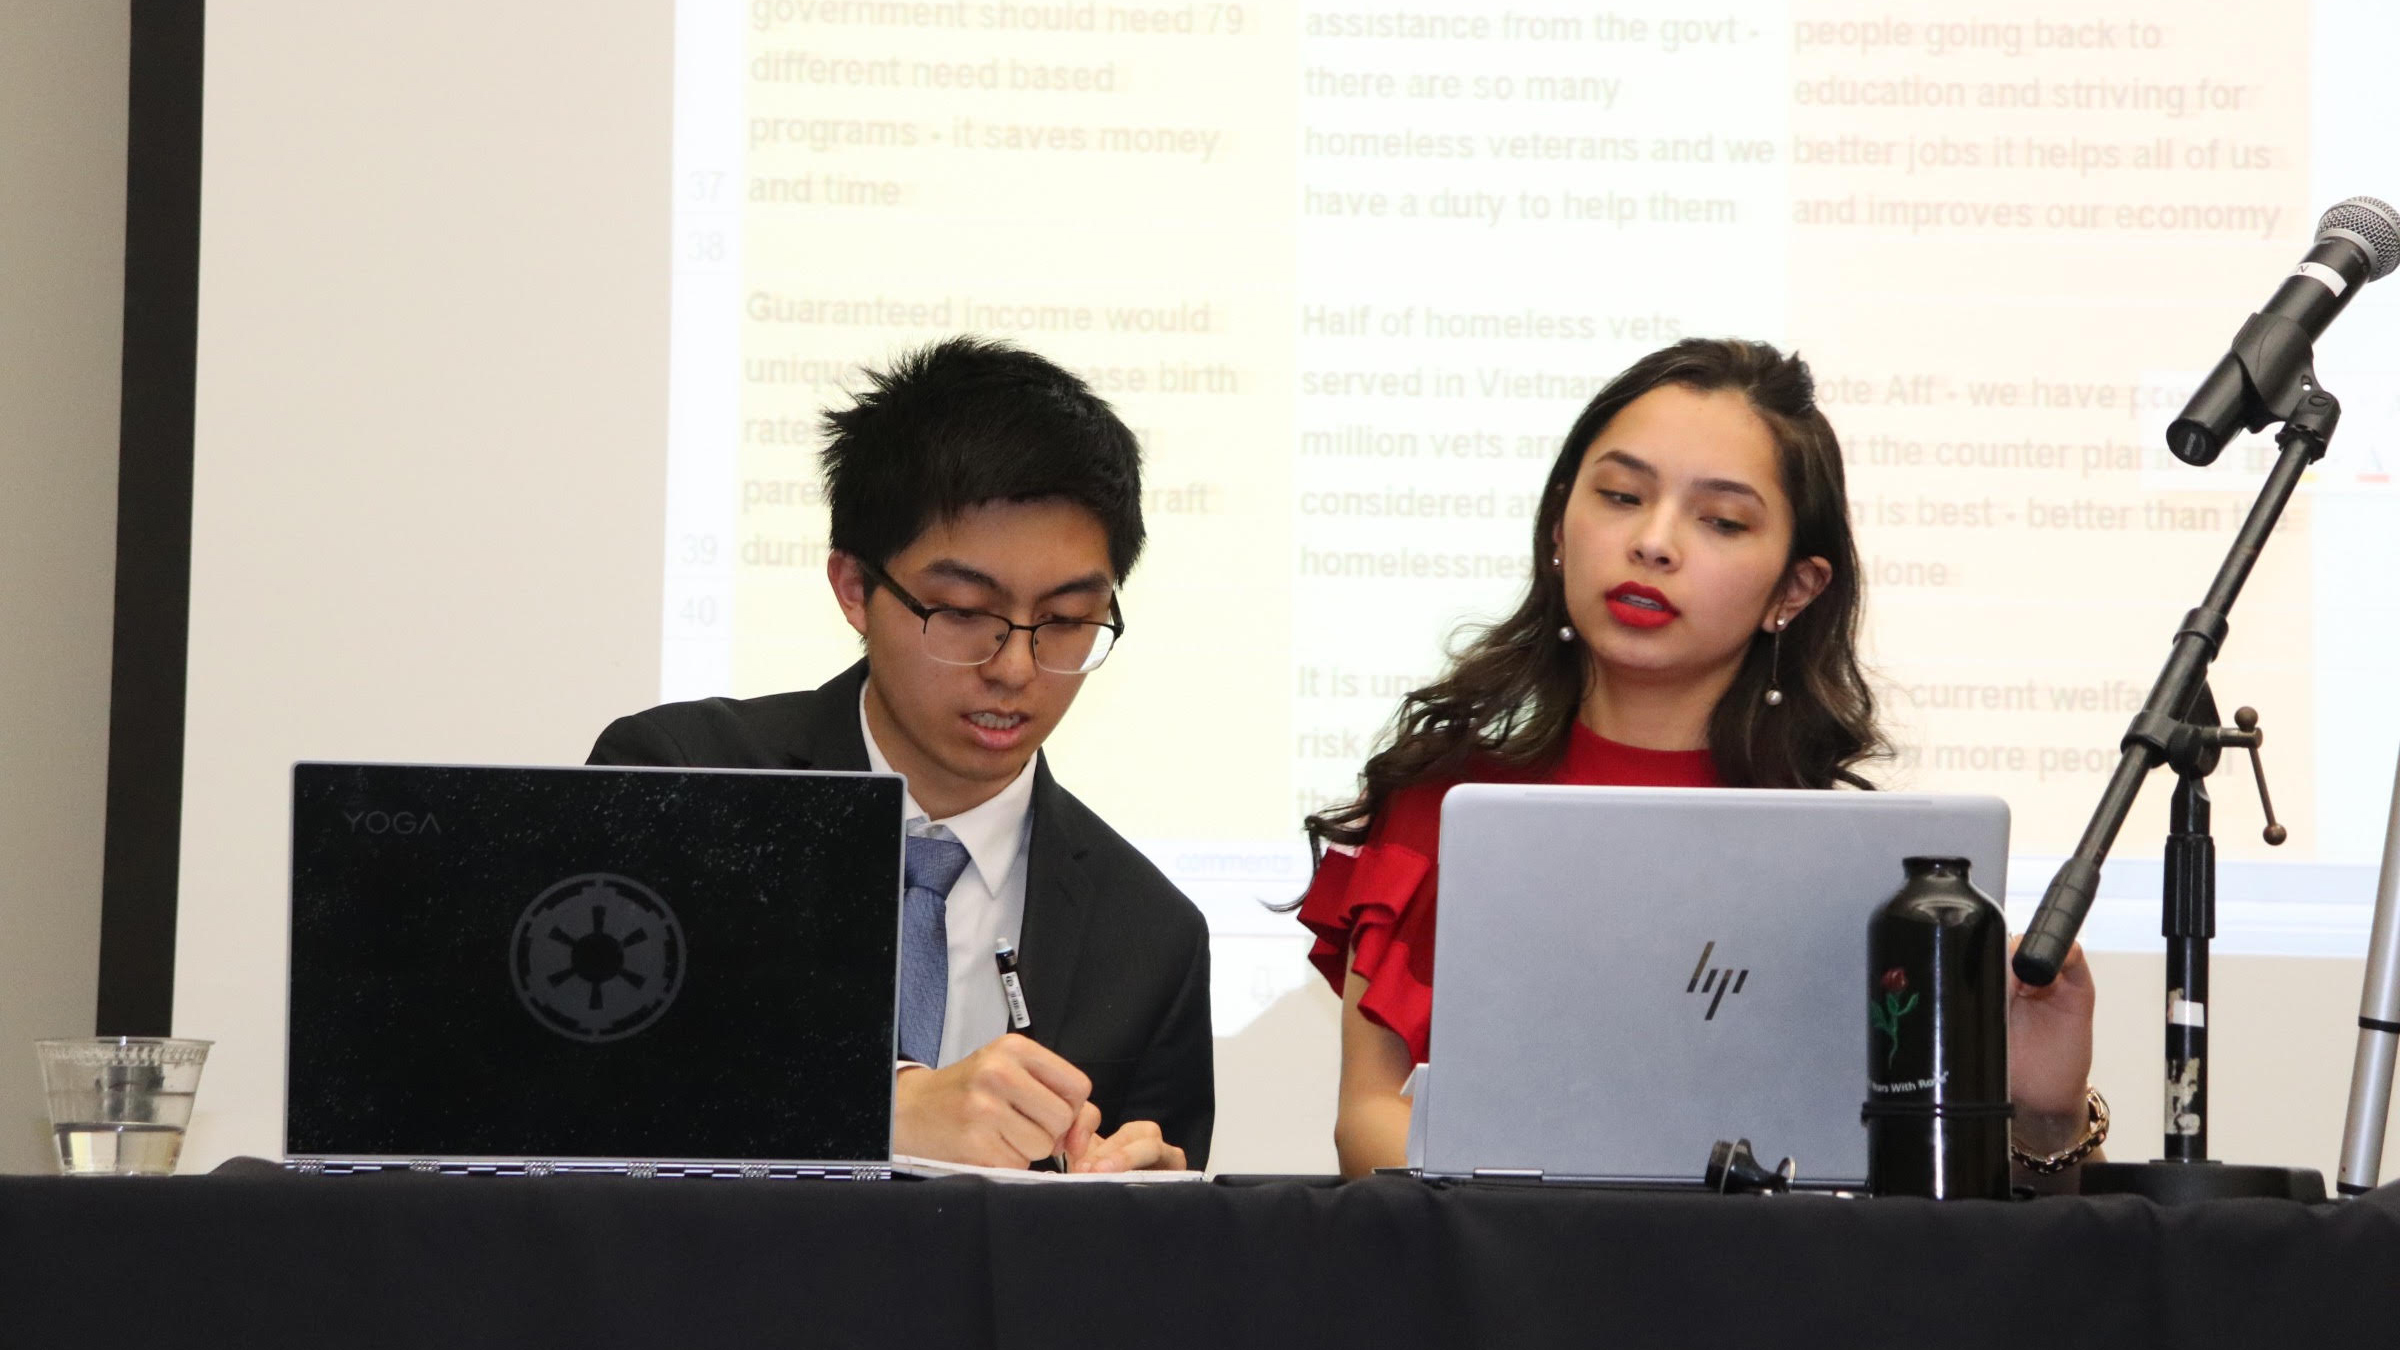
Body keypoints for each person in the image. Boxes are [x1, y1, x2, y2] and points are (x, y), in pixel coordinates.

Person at [1295, 338, 2102, 1180]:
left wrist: (2045, 1114)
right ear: (1560, 526)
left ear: (1794, 590)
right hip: (1505, 1286)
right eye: (1619, 495)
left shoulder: (1868, 876)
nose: (1653, 542)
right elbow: (1367, 1123)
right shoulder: (1440, 806)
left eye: (1720, 520)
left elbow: (1984, 1209)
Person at [591, 337, 1209, 1172]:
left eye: (1065, 621)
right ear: (854, 587)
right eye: (961, 610)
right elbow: (587, 1089)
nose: (1015, 668)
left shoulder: (1149, 937)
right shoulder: (684, 782)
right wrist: (883, 1107)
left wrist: (1151, 1215)